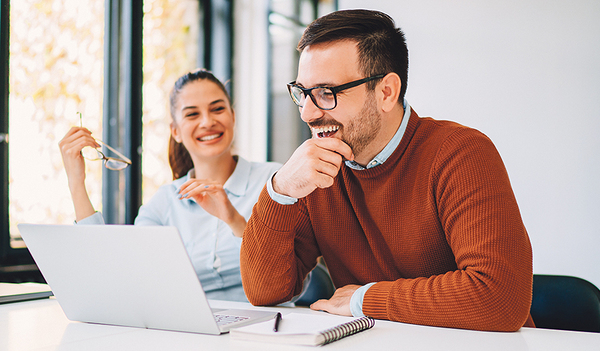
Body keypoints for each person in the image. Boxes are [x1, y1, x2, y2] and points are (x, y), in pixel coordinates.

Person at [240, 9, 535, 331]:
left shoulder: (460, 153)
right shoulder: (318, 170)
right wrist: (279, 190)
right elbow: (265, 293)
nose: (308, 114)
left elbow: (499, 298)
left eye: (327, 93)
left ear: (386, 92)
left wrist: (363, 299)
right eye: (303, 93)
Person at [59, 69, 281, 302]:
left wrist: (235, 221)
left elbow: (287, 273)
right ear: (175, 131)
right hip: (193, 328)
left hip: (270, 324)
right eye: (192, 114)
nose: (207, 122)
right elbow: (112, 274)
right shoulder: (165, 201)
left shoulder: (274, 182)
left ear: (233, 116)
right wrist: (76, 183)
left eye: (217, 109)